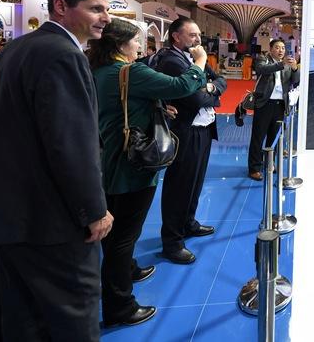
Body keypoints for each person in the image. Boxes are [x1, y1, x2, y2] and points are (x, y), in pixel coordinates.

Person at [0, 0, 114, 341]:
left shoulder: (17, 48)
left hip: (8, 211)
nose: (106, 18)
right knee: (73, 312)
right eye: (96, 9)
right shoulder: (63, 55)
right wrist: (93, 210)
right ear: (61, 7)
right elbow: (70, 143)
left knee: (22, 314)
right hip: (48, 219)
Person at [88, 18, 208, 327]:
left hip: (108, 158)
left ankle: (127, 271)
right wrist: (200, 63)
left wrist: (155, 106)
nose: (140, 47)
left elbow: (121, 107)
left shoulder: (98, 72)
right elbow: (182, 86)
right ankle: (119, 305)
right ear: (121, 45)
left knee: (116, 228)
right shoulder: (131, 72)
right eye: (136, 42)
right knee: (124, 235)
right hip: (133, 164)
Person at [154, 16, 227, 264]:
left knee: (195, 182)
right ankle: (172, 241)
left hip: (203, 129)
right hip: (185, 131)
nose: (198, 39)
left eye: (198, 34)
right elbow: (194, 99)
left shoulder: (195, 58)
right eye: (192, 35)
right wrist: (210, 91)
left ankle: (188, 223)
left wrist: (210, 88)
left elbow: (221, 80)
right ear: (176, 37)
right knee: (179, 186)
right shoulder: (171, 60)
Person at [247, 38, 299, 181]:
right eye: (277, 47)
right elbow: (262, 69)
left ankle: (270, 163)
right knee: (258, 137)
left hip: (280, 105)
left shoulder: (288, 64)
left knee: (274, 137)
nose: (280, 50)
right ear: (271, 49)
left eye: (282, 48)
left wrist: (295, 68)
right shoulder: (263, 59)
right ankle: (254, 168)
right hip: (264, 104)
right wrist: (281, 64)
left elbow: (295, 80)